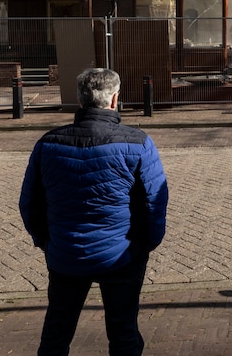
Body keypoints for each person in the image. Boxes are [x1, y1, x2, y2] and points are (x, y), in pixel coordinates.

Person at [19, 68, 169, 356]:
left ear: (80, 99)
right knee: (124, 334)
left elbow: (29, 203)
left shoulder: (47, 143)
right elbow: (155, 202)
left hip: (65, 253)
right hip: (121, 254)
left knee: (56, 335)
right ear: (114, 100)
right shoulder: (138, 142)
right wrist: (144, 245)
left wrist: (47, 242)